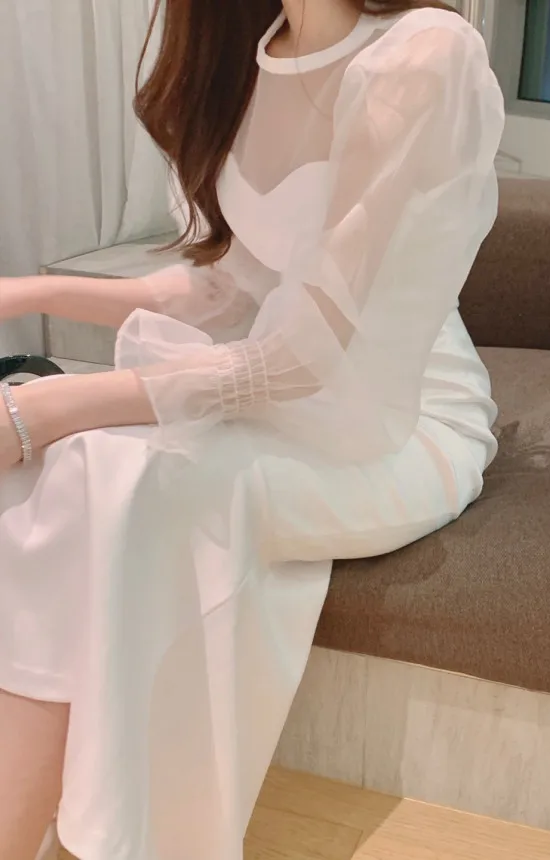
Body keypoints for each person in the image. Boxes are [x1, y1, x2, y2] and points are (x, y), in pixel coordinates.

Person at [0, 0, 504, 857]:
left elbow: (304, 356)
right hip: (284, 393)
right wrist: (27, 292)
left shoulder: (423, 56)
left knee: (103, 468)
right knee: (47, 471)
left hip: (398, 419)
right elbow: (227, 290)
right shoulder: (260, 49)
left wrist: (45, 407)